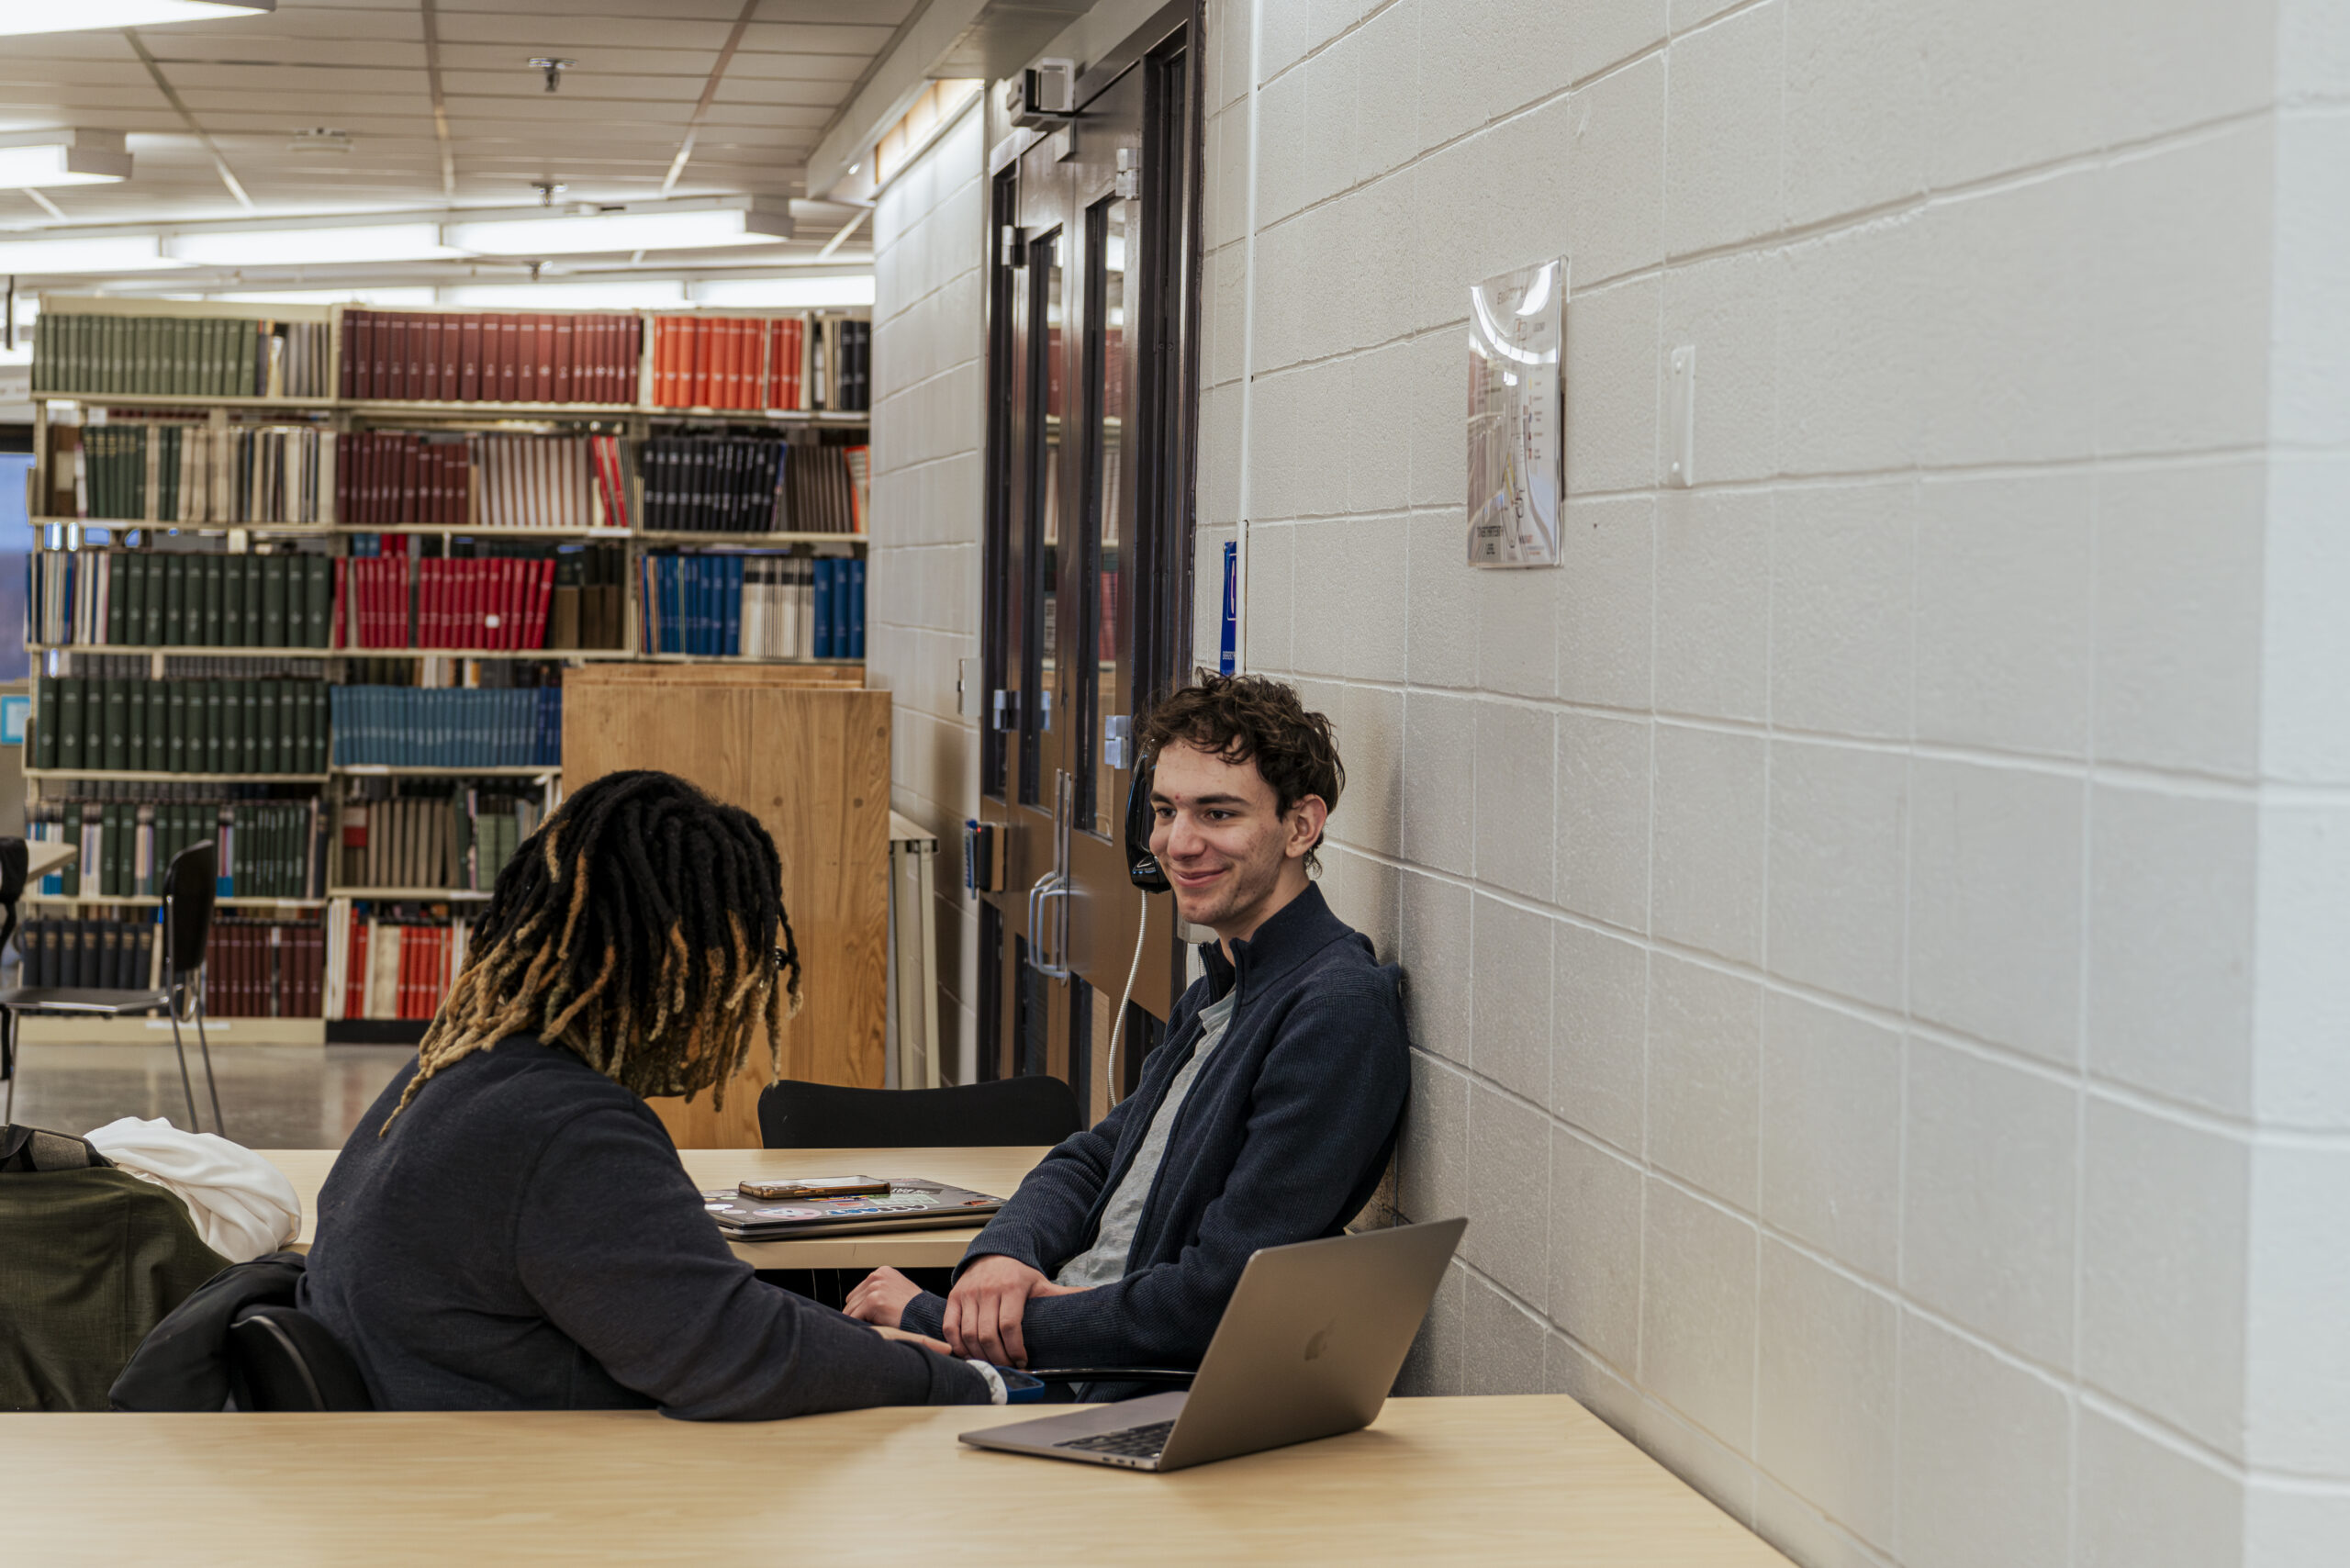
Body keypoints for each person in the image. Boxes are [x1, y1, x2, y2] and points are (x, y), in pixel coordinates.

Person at [301, 770, 1000, 1417]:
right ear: (677, 964)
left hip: (429, 1453)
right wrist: (964, 1384)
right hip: (508, 1492)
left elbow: (704, 1310)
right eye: (749, 961)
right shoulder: (566, 1130)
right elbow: (733, 1356)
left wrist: (868, 1346)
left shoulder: (460, 1065)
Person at [845, 674, 1410, 1376]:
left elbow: (1213, 1301)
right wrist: (1003, 1255)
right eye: (1167, 811)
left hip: (1116, 1386)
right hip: (1063, 1354)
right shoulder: (1227, 984)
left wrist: (939, 1319)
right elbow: (1096, 1158)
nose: (1178, 843)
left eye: (1218, 813)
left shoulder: (1333, 1011)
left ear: (1302, 826)